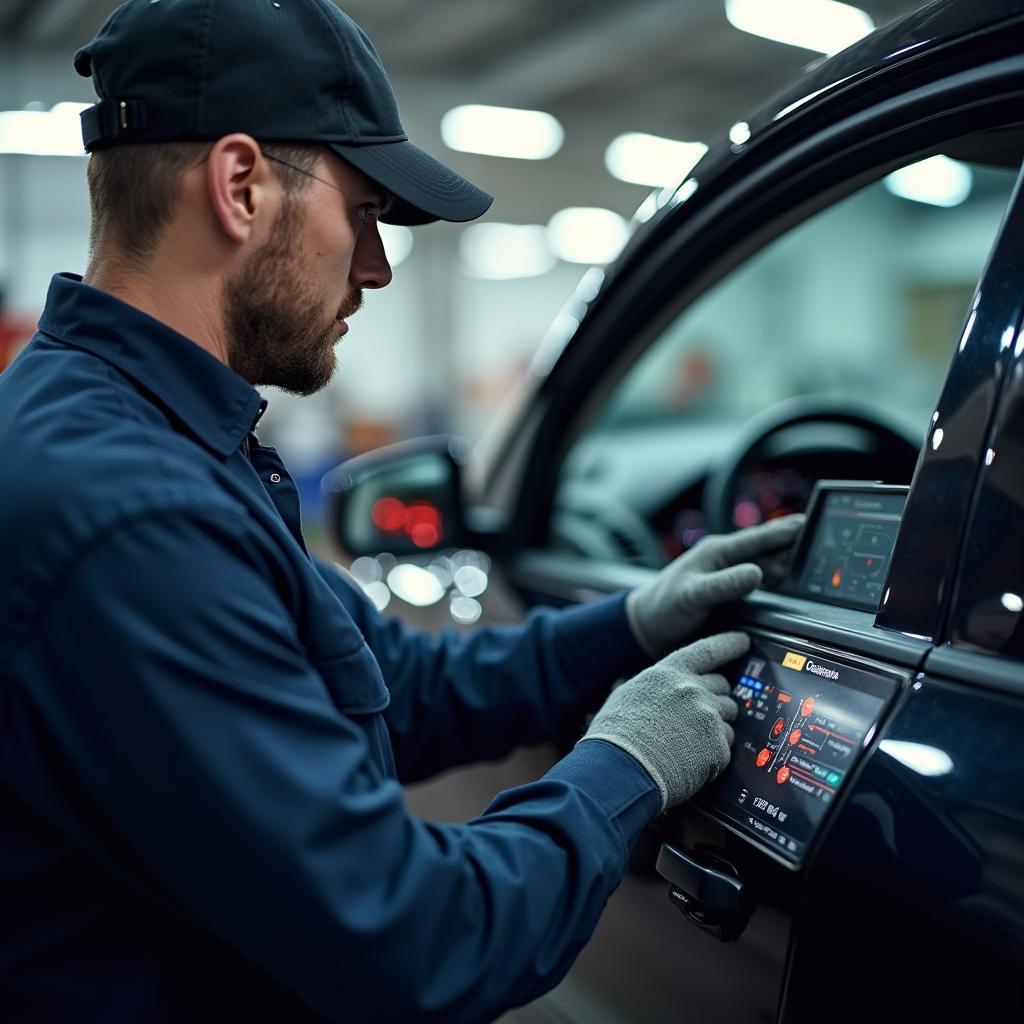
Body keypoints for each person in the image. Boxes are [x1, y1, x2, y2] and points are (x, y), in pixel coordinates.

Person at [0, 1, 802, 1021]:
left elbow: (392, 685)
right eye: (367, 213)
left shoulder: (144, 444)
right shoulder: (130, 515)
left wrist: (632, 624)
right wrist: (624, 769)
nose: (375, 267)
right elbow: (416, 940)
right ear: (239, 185)